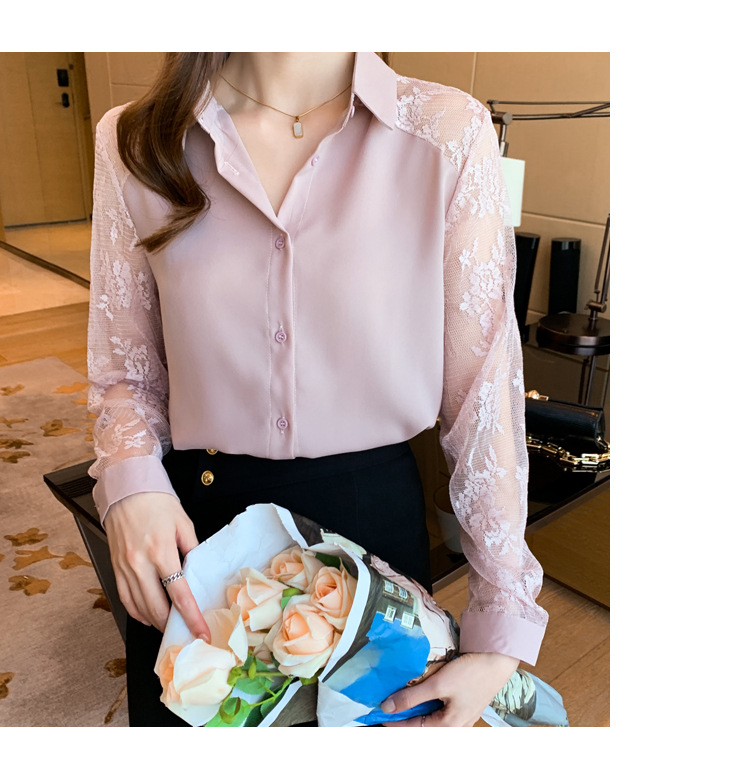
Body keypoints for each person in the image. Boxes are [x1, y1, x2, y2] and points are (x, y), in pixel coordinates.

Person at [86, 51, 549, 727]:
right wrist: (129, 483)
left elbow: (482, 399)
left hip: (374, 542)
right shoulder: (133, 140)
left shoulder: (448, 133)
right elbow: (126, 369)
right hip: (194, 537)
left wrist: (501, 624)